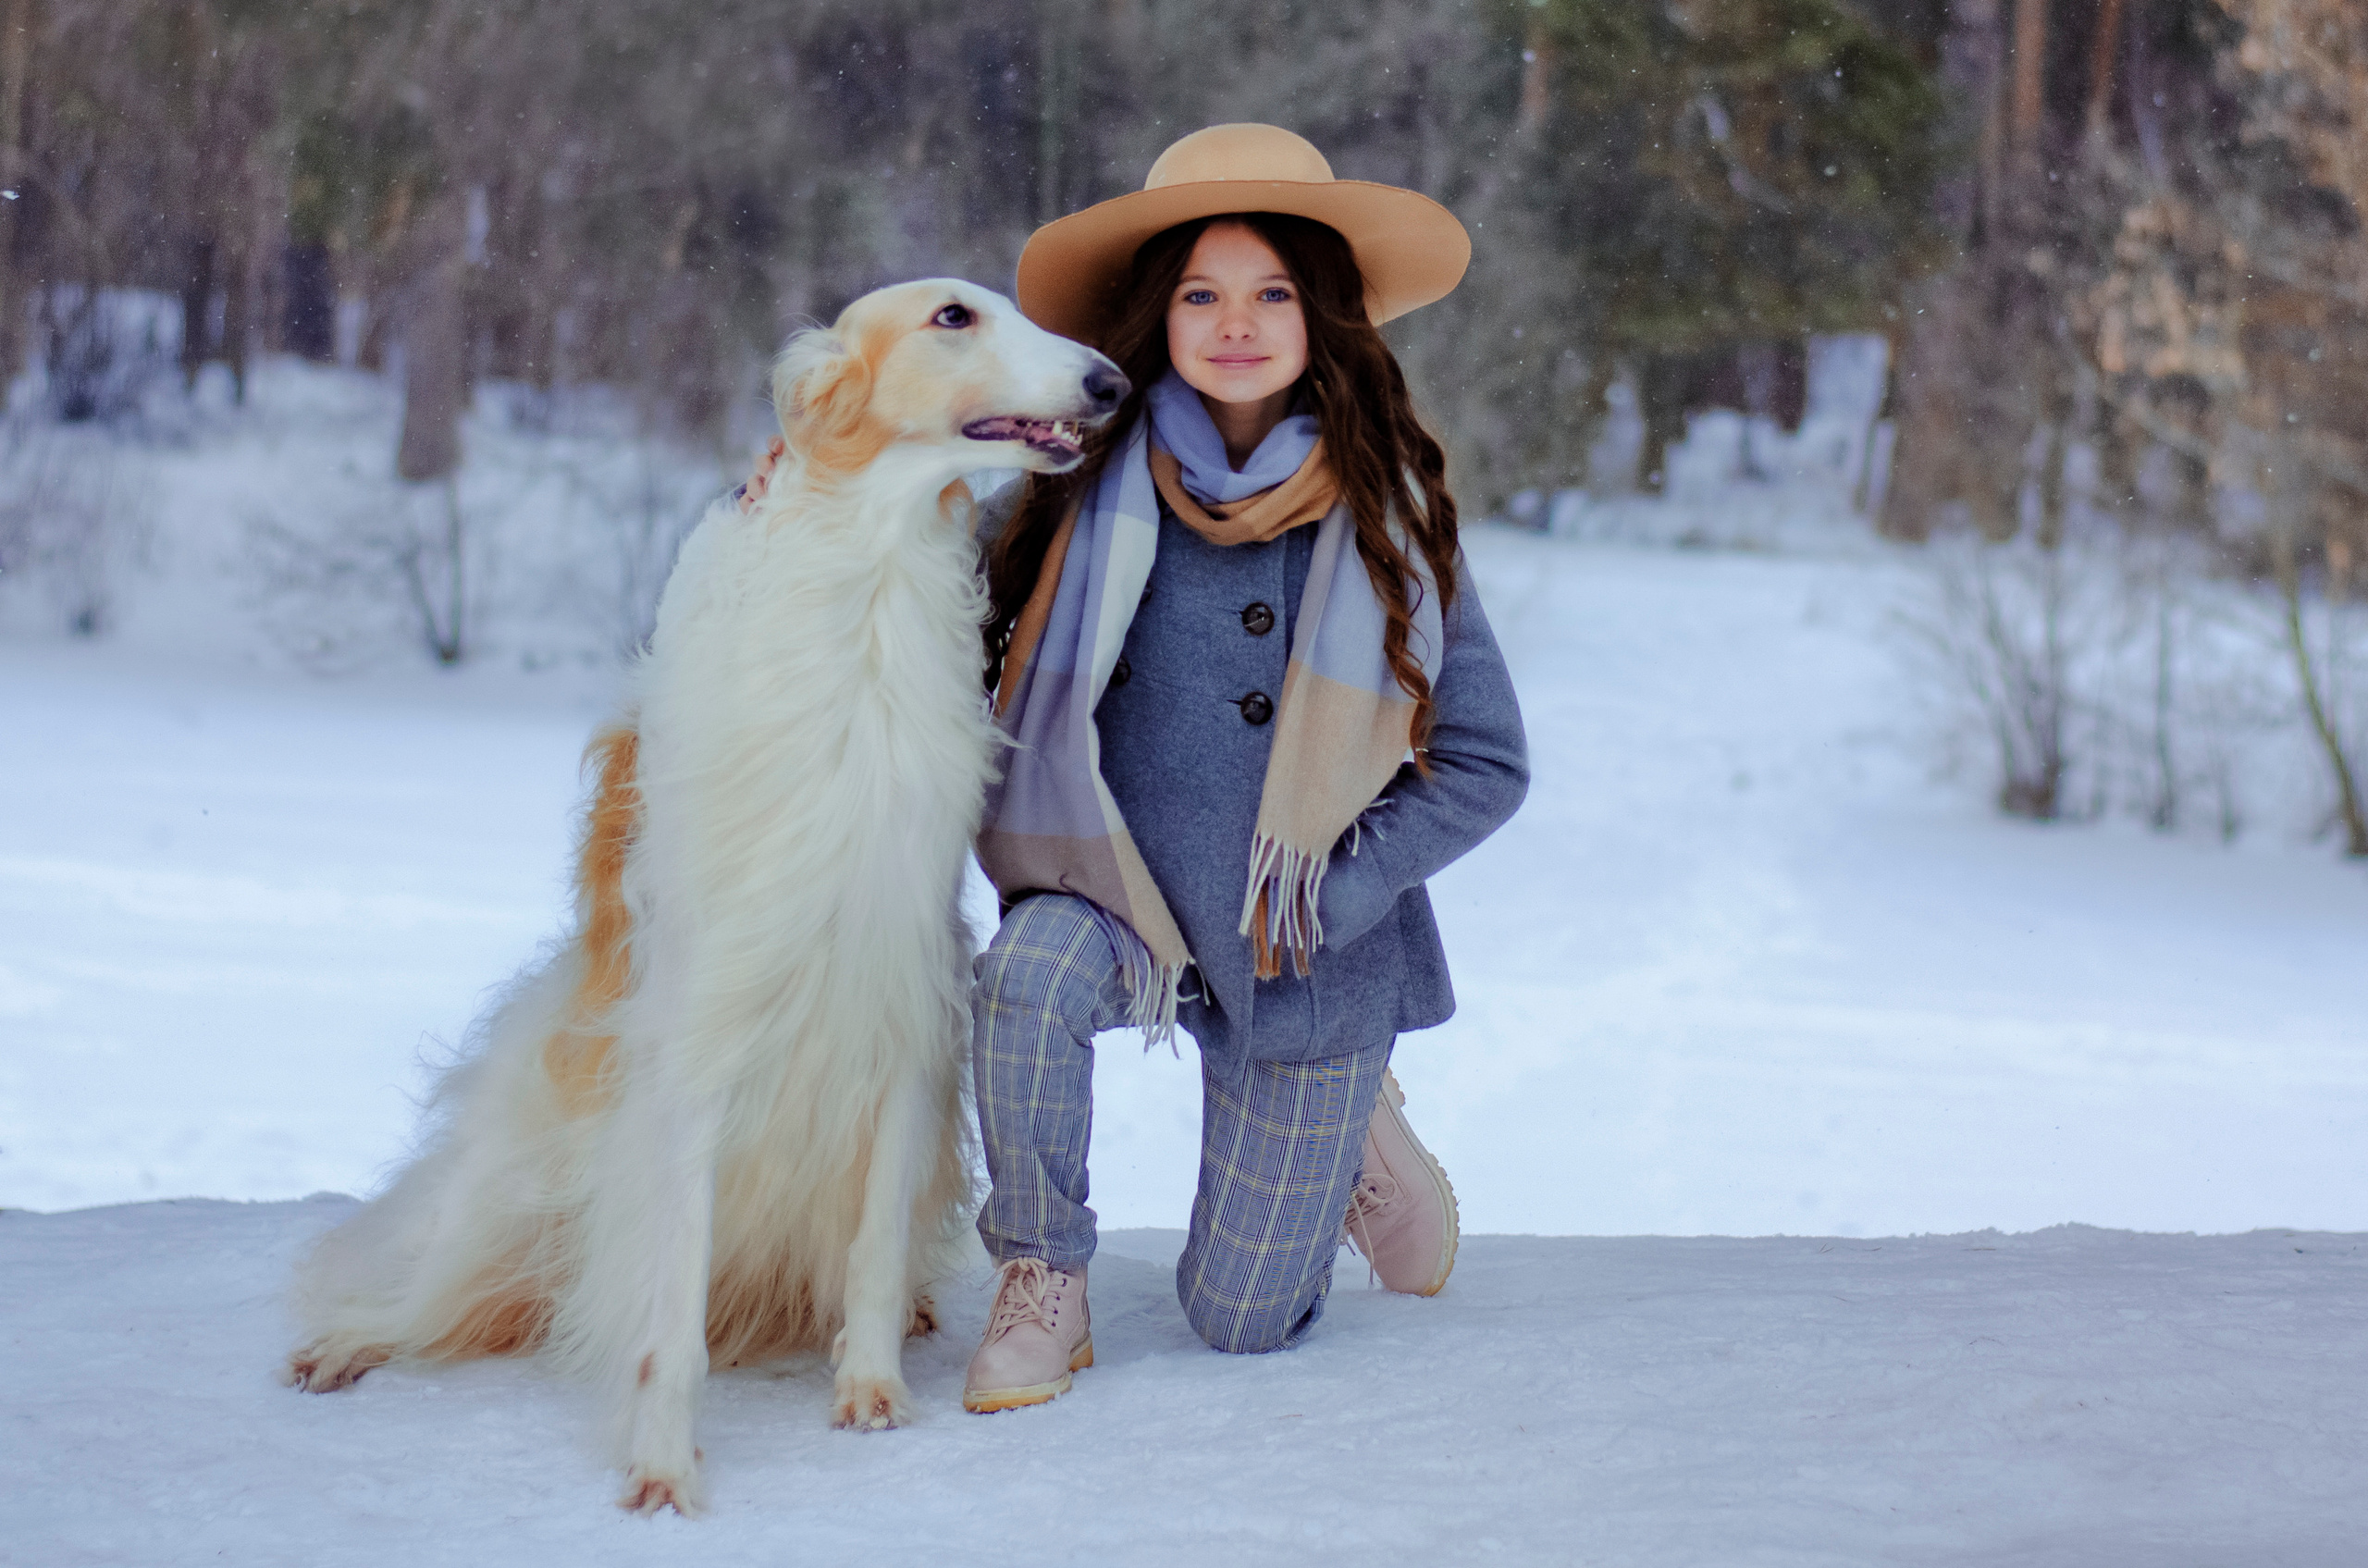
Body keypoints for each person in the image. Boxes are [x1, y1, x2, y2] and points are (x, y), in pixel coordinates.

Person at [747, 124, 1527, 1412]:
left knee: (1239, 1322)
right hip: (1117, 907)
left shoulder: (1389, 522)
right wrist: (798, 499)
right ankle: (1042, 1274)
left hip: (1300, 941)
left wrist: (1334, 895)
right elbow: (916, 612)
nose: (1236, 323)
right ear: (1157, 316)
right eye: (1200, 294)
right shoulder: (1069, 490)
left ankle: (1358, 1132)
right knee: (1023, 972)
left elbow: (1486, 764)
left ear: (1321, 317)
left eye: (1272, 292)